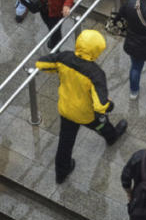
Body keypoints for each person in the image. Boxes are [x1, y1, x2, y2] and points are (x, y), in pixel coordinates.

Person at [36, 29, 127, 184]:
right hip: (87, 115)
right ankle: (112, 137)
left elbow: (41, 63)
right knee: (102, 125)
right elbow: (100, 105)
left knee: (65, 142)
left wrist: (58, 69)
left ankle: (61, 172)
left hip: (66, 109)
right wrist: (110, 105)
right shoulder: (95, 74)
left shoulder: (65, 57)